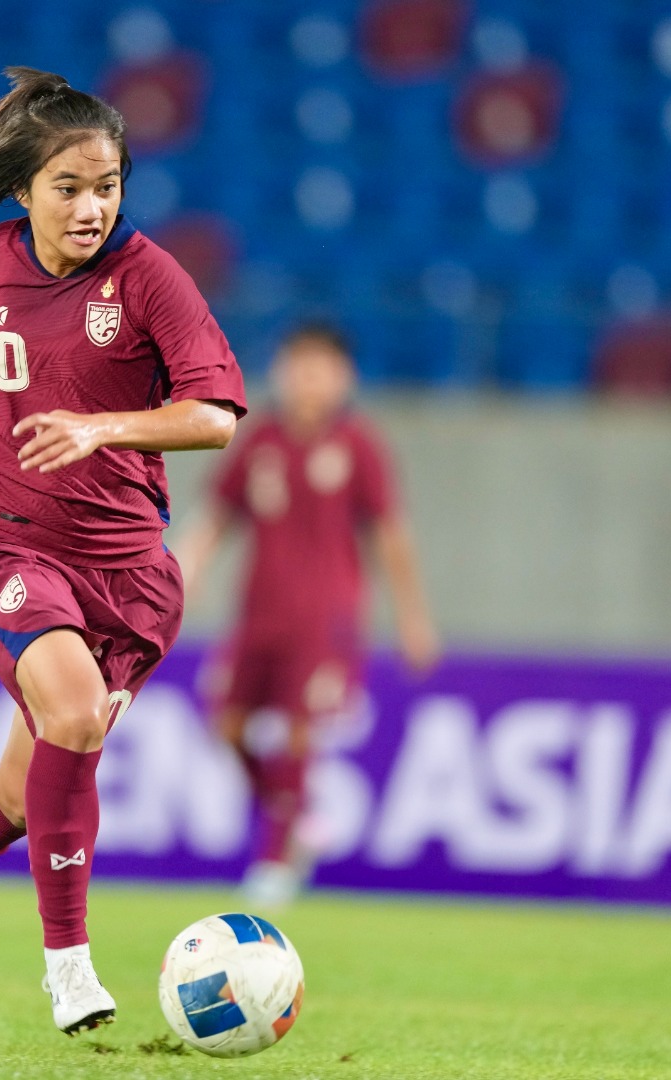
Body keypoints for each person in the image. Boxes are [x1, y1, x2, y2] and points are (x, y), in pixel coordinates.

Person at [0, 67, 246, 1036]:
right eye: (68, 187)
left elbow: (216, 416)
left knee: (25, 796)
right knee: (72, 714)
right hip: (4, 542)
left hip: (129, 573)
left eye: (106, 185)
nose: (90, 206)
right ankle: (68, 968)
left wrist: (102, 427)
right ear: (24, 189)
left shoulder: (149, 277)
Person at [176, 323, 439, 908]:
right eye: (298, 366)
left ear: (344, 378)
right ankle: (295, 818)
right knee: (227, 725)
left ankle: (274, 864)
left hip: (326, 618)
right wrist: (186, 569)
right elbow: (217, 514)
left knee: (298, 731)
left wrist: (412, 618)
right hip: (258, 614)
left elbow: (390, 535)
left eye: (320, 369)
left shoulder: (358, 444)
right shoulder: (260, 439)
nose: (307, 380)